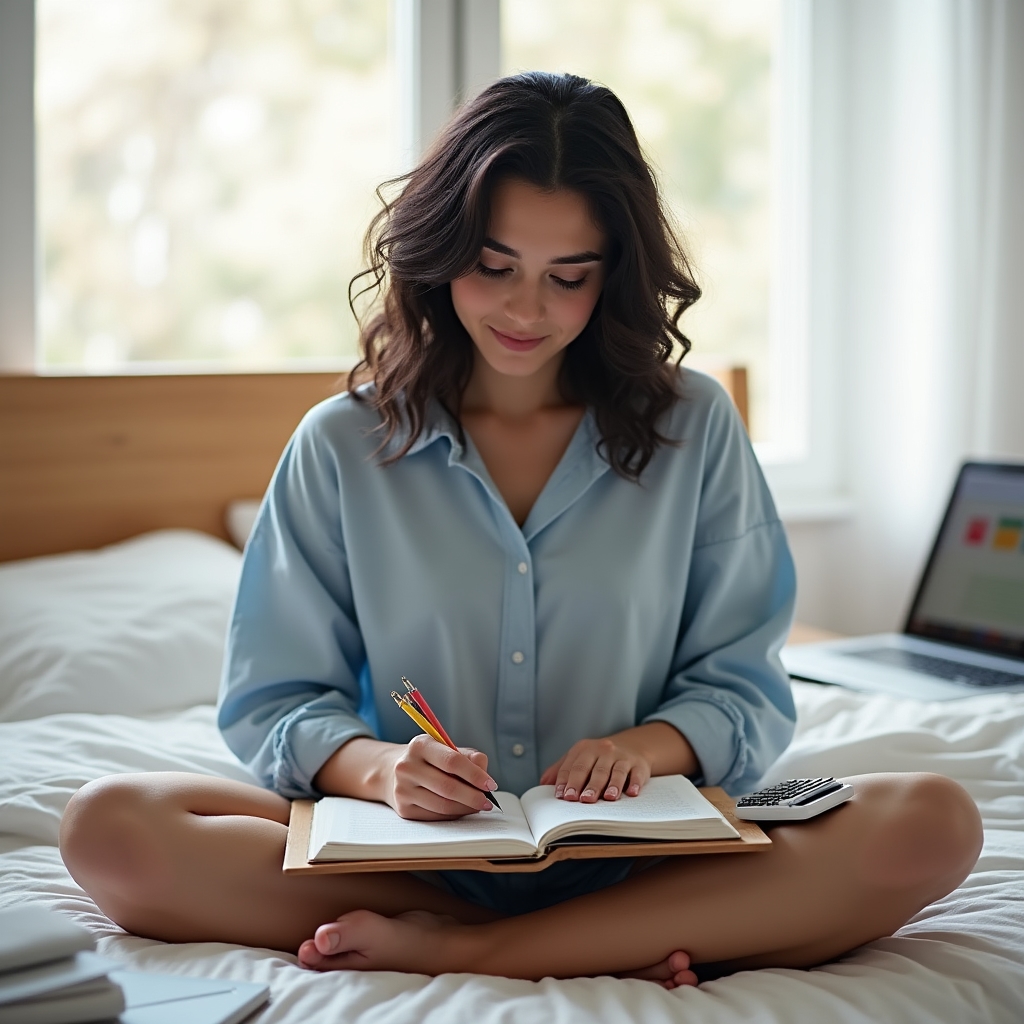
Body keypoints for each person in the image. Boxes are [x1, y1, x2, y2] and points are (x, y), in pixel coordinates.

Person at [59, 72, 982, 989]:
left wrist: (642, 750)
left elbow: (742, 685)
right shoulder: (341, 444)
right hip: (405, 850)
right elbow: (276, 699)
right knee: (109, 829)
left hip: (650, 855)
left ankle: (469, 948)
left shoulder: (694, 426)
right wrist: (384, 770)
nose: (525, 311)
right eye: (494, 267)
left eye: (567, 277)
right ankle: (586, 938)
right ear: (441, 251)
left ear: (612, 278)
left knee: (933, 820)